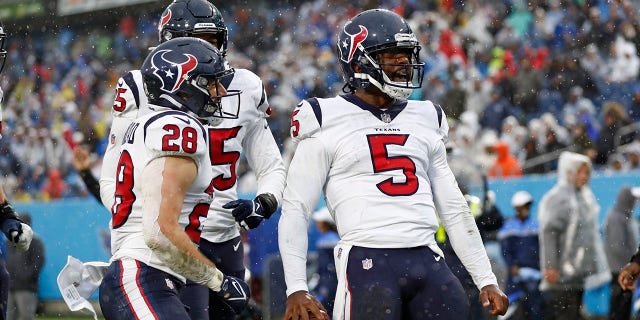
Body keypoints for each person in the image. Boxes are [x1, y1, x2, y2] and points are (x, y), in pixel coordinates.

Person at [278, 9, 508, 320]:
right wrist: (296, 286)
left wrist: (486, 278)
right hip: (367, 260)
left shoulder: (426, 116)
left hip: (428, 258)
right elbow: (296, 208)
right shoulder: (323, 118)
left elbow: (453, 207)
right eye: (391, 55)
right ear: (358, 62)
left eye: (406, 54)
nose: (403, 63)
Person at [99, 2, 285, 317]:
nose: (211, 53)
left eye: (214, 41)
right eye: (200, 43)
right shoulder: (144, 88)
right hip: (175, 239)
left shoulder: (243, 86)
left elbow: (271, 164)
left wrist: (264, 202)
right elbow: (113, 178)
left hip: (224, 236)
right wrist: (150, 216)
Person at [538, 151, 610, 320]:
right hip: (562, 274)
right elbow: (550, 231)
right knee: (565, 313)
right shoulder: (559, 198)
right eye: (581, 172)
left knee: (575, 313)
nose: (585, 177)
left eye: (587, 172)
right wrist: (551, 265)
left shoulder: (584, 197)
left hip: (578, 273)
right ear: (569, 173)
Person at [497, 191, 543, 320]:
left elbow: (541, 250)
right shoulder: (508, 227)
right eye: (523, 206)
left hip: (534, 274)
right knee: (510, 306)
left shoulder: (536, 225)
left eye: (528, 206)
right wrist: (512, 266)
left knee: (535, 308)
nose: (526, 209)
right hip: (515, 275)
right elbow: (505, 251)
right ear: (517, 208)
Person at [604, 186, 640, 320]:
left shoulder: (625, 216)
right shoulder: (617, 217)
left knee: (623, 303)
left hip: (624, 267)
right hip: (619, 268)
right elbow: (617, 246)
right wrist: (630, 264)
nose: (635, 202)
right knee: (619, 304)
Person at [5, 213, 44, 320]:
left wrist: (24, 277)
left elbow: (38, 262)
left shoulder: (35, 241)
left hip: (26, 287)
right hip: (9, 286)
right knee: (9, 317)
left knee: (25, 316)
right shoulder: (9, 240)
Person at [310, 207, 339, 317]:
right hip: (333, 283)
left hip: (328, 284)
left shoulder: (325, 241)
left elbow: (325, 268)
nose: (317, 224)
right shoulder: (337, 238)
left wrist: (323, 287)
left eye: (319, 221)